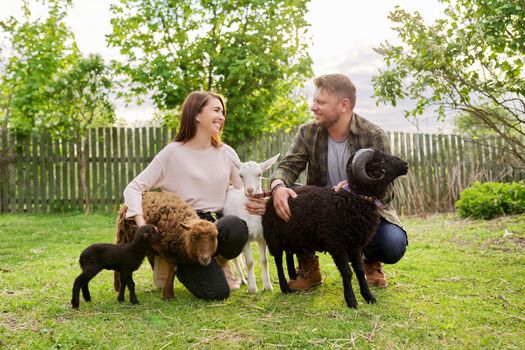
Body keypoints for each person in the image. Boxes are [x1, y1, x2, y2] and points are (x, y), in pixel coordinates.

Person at [269, 74, 407, 289]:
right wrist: (277, 186)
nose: (313, 107)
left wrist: (357, 188)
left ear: (344, 105)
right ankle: (308, 264)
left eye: (320, 102)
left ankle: (370, 262)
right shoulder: (307, 132)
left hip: (360, 212)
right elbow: (288, 166)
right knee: (288, 197)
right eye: (314, 101)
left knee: (392, 243)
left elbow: (388, 190)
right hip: (320, 210)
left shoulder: (372, 135)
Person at [123, 91, 263, 300]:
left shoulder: (226, 152)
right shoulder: (172, 153)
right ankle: (169, 259)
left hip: (215, 223)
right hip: (186, 230)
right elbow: (133, 187)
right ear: (197, 114)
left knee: (235, 226)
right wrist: (144, 225)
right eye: (216, 110)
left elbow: (239, 189)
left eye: (223, 112)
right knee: (217, 293)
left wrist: (260, 200)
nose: (222, 116)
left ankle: (220, 261)